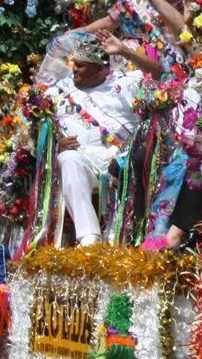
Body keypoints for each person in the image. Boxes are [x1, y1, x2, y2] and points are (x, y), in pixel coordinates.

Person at [44, 33, 145, 248]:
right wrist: (56, 145)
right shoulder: (60, 91)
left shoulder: (126, 84)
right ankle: (90, 238)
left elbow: (157, 73)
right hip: (81, 162)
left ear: (102, 69)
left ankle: (117, 240)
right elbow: (40, 129)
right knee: (68, 157)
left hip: (117, 161)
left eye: (82, 66)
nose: (74, 69)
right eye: (74, 64)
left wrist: (124, 51)